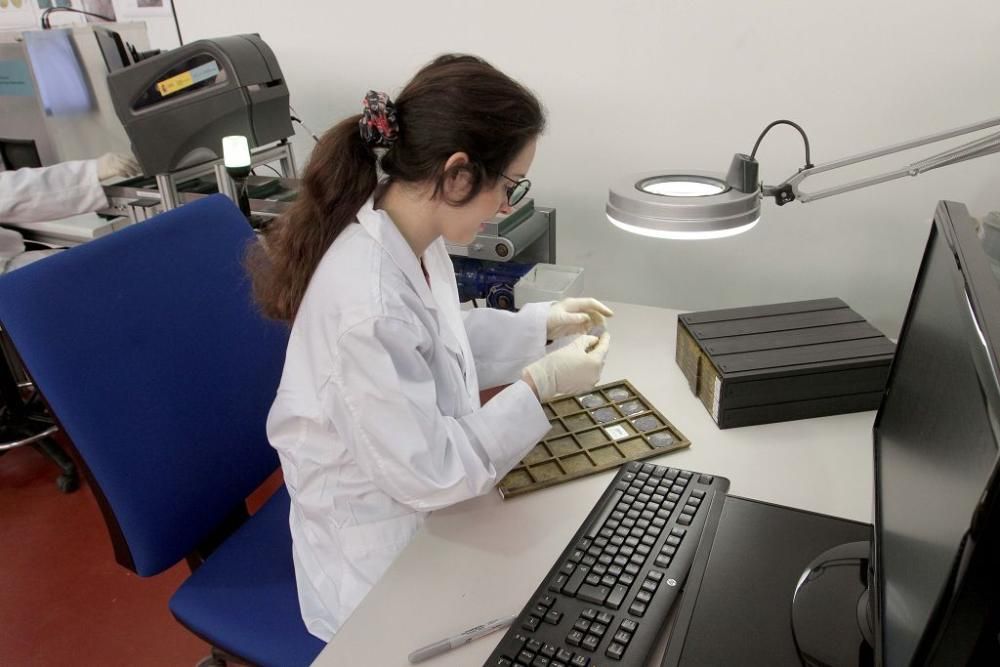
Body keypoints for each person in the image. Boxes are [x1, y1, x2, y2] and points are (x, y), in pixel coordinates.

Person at [249, 54, 613, 641]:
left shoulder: (410, 234)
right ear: (458, 174)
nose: (507, 205)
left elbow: (442, 339)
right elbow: (430, 472)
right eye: (510, 184)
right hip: (377, 561)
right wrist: (537, 388)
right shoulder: (367, 303)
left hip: (428, 508)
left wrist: (541, 325)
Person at [0, 153, 140, 273]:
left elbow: (16, 193)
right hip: (21, 279)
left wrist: (92, 172)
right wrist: (91, 172)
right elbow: (13, 194)